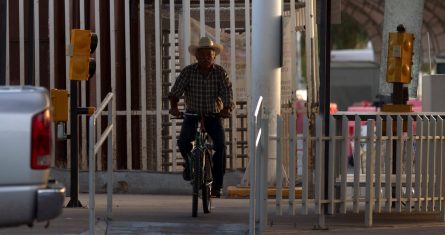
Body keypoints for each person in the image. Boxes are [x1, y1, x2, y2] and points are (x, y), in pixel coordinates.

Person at [168, 36, 234, 198]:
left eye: (209, 55)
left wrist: (226, 108)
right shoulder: (188, 72)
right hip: (192, 113)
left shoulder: (220, 73)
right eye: (202, 54)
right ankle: (190, 164)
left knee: (220, 147)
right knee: (183, 141)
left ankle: (217, 187)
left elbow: (227, 93)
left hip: (213, 115)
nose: (205, 58)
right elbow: (175, 92)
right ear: (196, 56)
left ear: (214, 56)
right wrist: (174, 107)